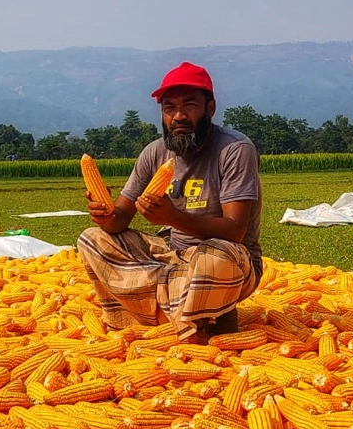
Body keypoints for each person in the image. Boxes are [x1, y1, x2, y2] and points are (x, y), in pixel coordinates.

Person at [78, 61, 263, 345]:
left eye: (189, 106)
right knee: (92, 240)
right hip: (171, 255)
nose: (178, 116)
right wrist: (104, 215)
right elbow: (120, 219)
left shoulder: (234, 149)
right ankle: (182, 313)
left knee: (216, 258)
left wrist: (174, 217)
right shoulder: (154, 153)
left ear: (210, 108)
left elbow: (236, 230)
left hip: (230, 259)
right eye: (169, 108)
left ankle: (185, 312)